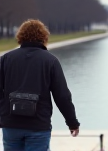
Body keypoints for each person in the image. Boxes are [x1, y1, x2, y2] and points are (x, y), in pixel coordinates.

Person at [0, 19, 80, 151]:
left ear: (20, 36)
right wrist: (72, 122)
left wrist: (3, 113)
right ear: (44, 37)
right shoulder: (50, 61)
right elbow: (62, 96)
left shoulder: (6, 59)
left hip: (11, 124)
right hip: (38, 124)